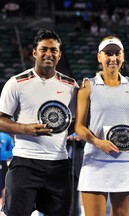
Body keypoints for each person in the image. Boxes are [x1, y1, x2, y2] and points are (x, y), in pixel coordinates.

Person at [0, 29, 79, 215]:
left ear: (59, 55)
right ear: (34, 52)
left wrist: (63, 130)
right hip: (25, 163)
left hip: (58, 164)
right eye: (44, 49)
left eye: (53, 50)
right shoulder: (16, 83)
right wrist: (24, 129)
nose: (49, 54)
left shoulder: (71, 86)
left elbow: (76, 121)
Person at [75, 35, 129, 216]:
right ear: (99, 57)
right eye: (108, 53)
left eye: (117, 53)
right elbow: (79, 127)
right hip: (94, 163)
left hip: (126, 164)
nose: (113, 58)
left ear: (123, 56)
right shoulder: (87, 86)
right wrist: (99, 143)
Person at [0, 132, 14, 207]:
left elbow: (13, 150)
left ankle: (2, 207)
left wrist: (4, 155)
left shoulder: (6, 137)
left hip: (3, 163)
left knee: (4, 185)